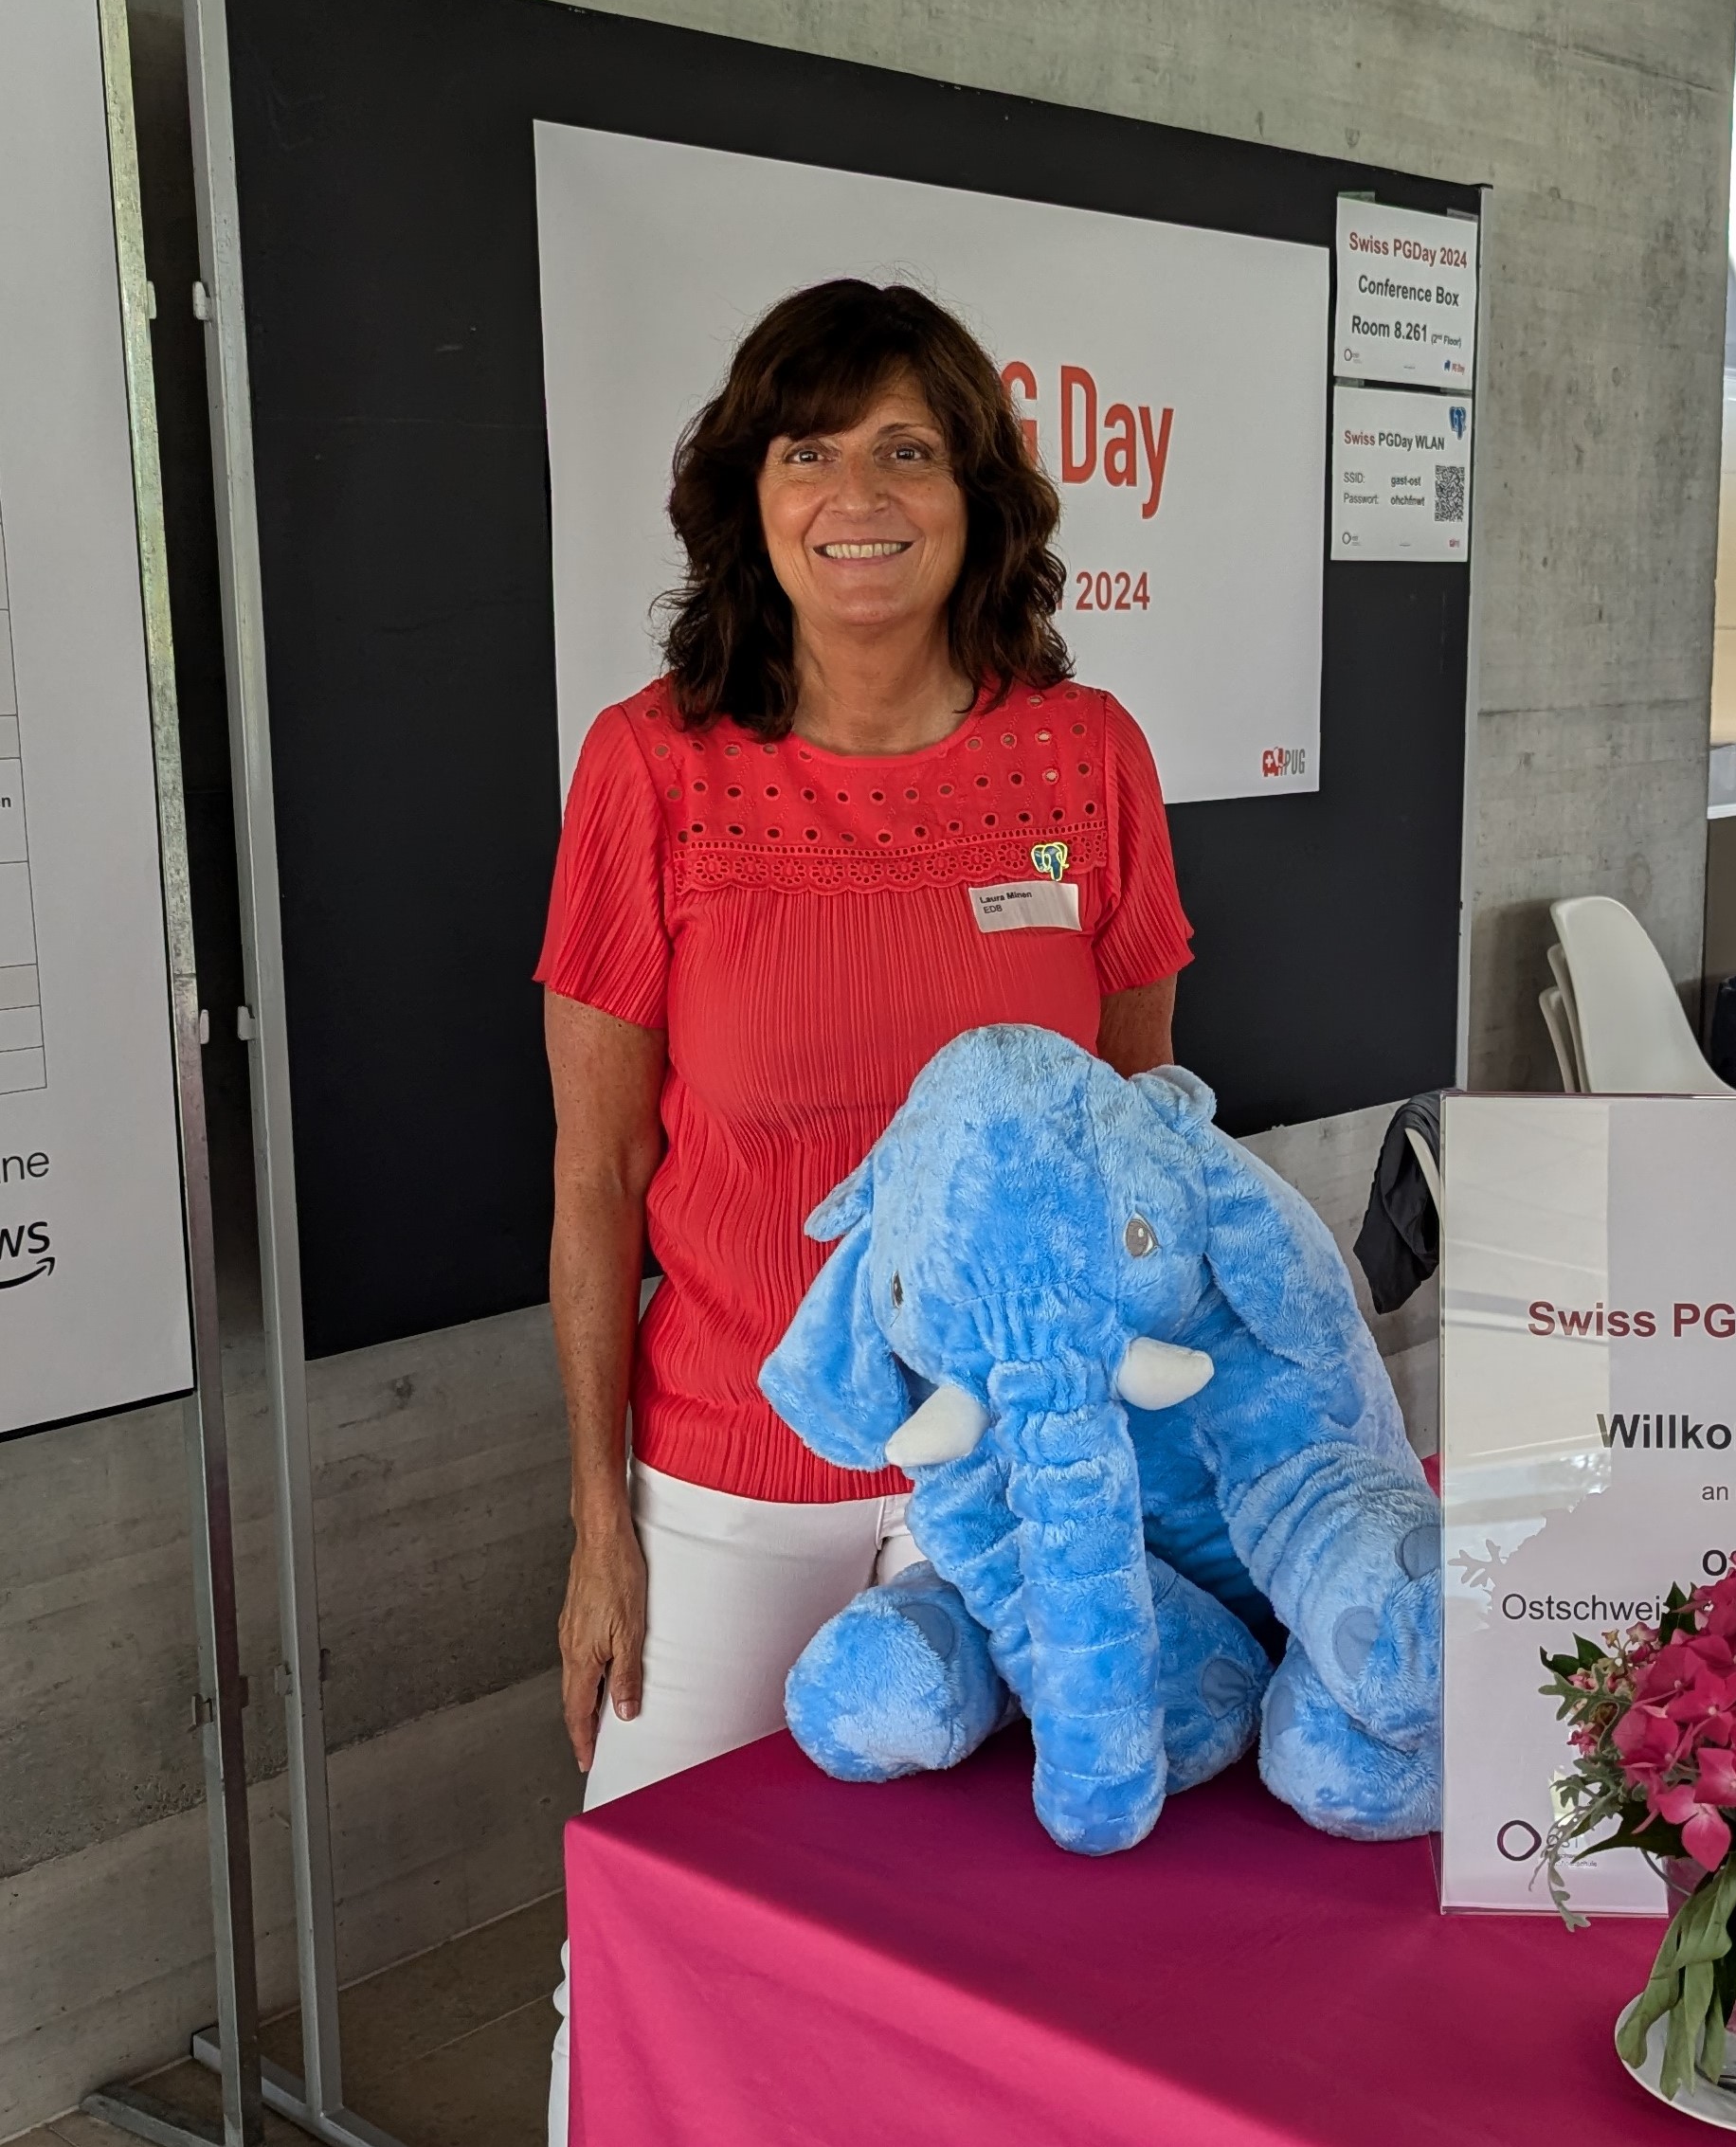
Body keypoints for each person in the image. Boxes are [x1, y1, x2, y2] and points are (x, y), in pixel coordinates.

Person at [537, 279, 1193, 2138]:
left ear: (978, 494)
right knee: (655, 1950)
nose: (857, 495)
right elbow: (594, 1181)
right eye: (807, 451)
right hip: (733, 1474)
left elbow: (1135, 1150)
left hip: (1018, 1482)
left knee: (983, 1981)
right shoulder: (655, 768)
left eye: (907, 449)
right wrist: (601, 1525)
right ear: (748, 497)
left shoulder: (1085, 758)